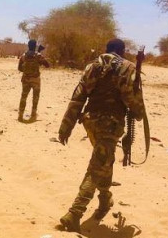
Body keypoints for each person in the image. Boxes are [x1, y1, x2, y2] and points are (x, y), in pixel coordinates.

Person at [57, 39, 145, 232]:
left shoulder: (92, 67)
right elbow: (130, 99)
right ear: (122, 50)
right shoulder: (127, 67)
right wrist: (138, 112)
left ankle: (105, 199)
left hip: (90, 123)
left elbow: (78, 97)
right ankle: (75, 213)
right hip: (111, 125)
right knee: (97, 167)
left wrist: (66, 126)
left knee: (104, 161)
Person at [17, 39, 50, 122]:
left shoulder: (23, 55)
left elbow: (19, 68)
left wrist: (27, 70)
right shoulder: (38, 55)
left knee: (23, 97)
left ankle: (20, 115)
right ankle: (33, 114)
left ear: (28, 46)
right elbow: (47, 65)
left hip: (26, 79)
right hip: (35, 80)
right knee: (35, 98)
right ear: (35, 46)